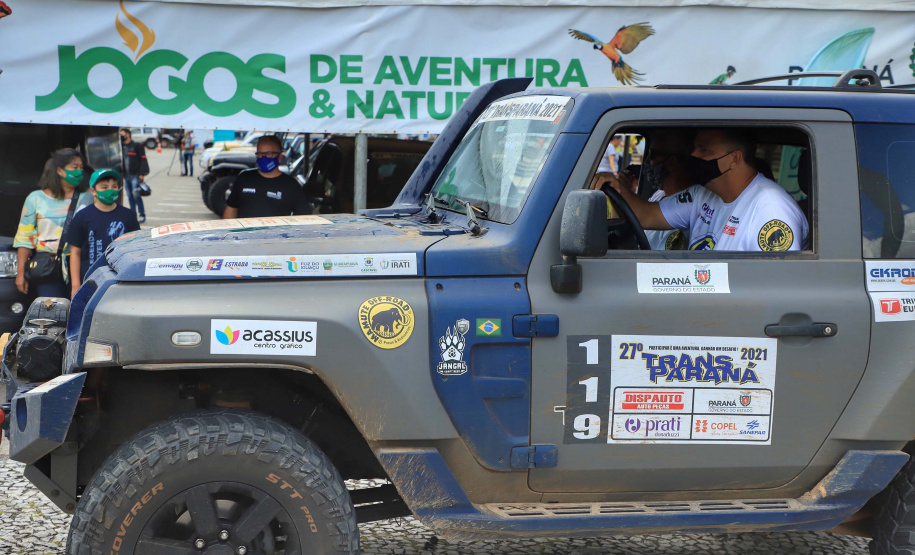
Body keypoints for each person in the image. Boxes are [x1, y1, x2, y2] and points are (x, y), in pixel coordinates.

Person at [595, 128, 807, 252]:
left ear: (734, 159)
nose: (694, 156)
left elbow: (776, 287)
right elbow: (647, 215)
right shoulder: (701, 195)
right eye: (694, 148)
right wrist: (617, 186)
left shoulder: (771, 209)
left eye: (704, 150)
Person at [14, 148, 92, 298]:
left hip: (81, 264)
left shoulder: (88, 196)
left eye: (81, 168)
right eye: (74, 167)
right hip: (47, 266)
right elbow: (25, 238)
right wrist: (21, 273)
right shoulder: (35, 199)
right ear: (59, 170)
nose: (79, 172)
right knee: (51, 314)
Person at [65, 169, 140, 297]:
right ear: (93, 191)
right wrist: (75, 285)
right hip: (89, 280)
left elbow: (136, 248)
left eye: (114, 186)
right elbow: (75, 253)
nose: (110, 190)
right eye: (104, 187)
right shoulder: (82, 217)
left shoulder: (128, 216)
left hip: (120, 278)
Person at [223, 135, 311, 219]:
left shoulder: (291, 185)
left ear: (280, 157)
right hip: (245, 233)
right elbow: (231, 211)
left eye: (268, 154)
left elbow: (304, 218)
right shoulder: (244, 178)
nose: (263, 157)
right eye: (260, 154)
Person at [120, 128, 149, 223]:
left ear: (128, 135)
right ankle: (133, 215)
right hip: (126, 175)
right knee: (129, 196)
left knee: (136, 195)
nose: (121, 136)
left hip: (135, 175)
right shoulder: (120, 147)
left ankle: (141, 214)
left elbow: (143, 159)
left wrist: (142, 173)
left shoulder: (137, 146)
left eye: (122, 134)